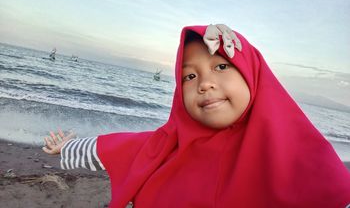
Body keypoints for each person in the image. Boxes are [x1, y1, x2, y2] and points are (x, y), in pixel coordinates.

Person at [43, 24, 350, 208]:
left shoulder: (298, 156)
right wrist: (66, 147)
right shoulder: (167, 145)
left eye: (221, 66)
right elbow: (119, 147)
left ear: (253, 75)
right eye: (189, 77)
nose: (205, 83)